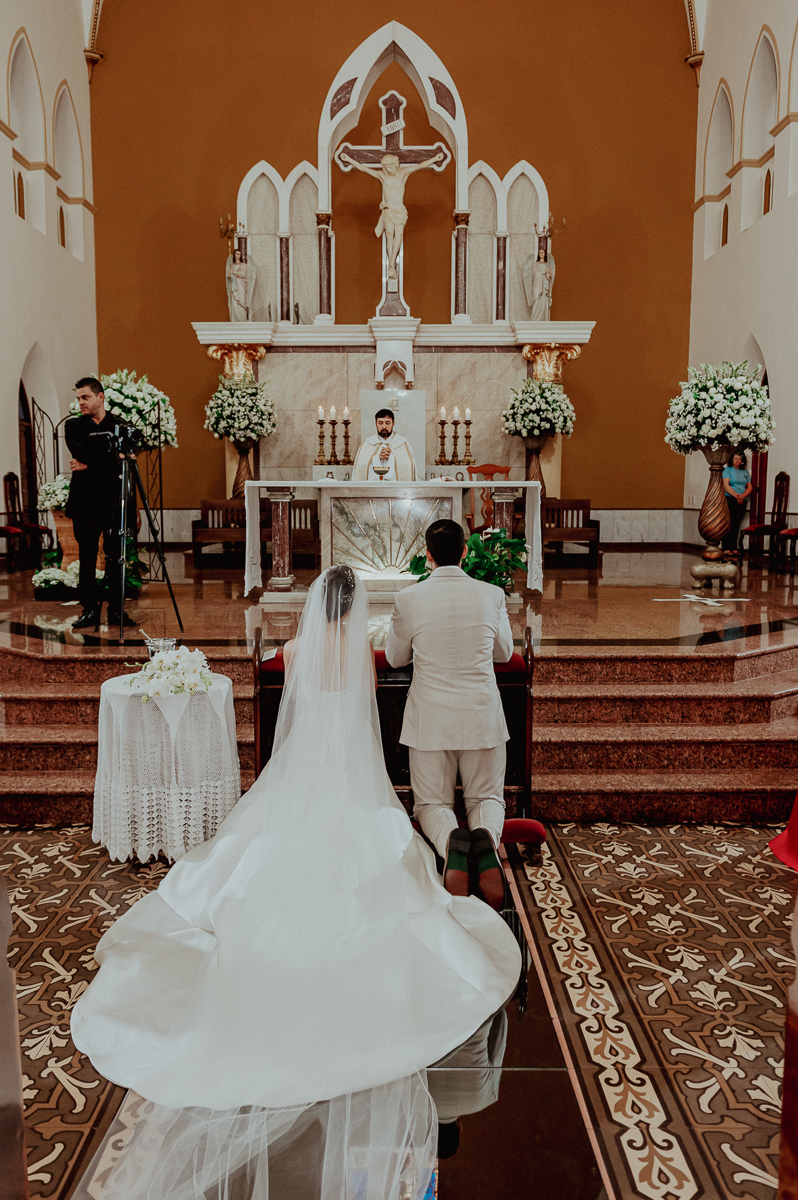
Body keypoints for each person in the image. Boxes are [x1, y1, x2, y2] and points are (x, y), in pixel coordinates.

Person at [70, 565, 522, 1197]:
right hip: (351, 783)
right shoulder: (361, 653)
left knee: (251, 855)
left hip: (299, 776)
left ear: (314, 606)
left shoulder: (296, 648)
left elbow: (290, 713)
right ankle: (470, 843)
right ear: (354, 607)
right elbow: (365, 724)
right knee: (390, 864)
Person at [385, 519, 514, 910]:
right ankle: (485, 841)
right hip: (482, 717)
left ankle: (451, 844)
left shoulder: (410, 598)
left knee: (431, 805)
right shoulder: (492, 594)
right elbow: (505, 653)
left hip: (431, 721)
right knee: (486, 797)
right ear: (464, 552)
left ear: (427, 555)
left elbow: (394, 658)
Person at [64, 377, 135, 630]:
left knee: (116, 557)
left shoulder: (119, 424)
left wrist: (90, 464)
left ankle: (116, 610)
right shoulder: (73, 426)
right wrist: (113, 456)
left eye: (85, 397)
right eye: (78, 398)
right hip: (85, 502)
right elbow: (79, 452)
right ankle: (89, 611)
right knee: (86, 557)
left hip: (114, 501)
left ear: (100, 396)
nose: (80, 402)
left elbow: (132, 452)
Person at [352, 408, 417, 481]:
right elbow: (360, 467)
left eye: (387, 423)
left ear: (393, 424)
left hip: (396, 489)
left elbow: (408, 467)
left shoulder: (402, 444)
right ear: (376, 424)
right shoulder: (367, 444)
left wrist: (391, 457)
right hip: (374, 488)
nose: (384, 426)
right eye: (380, 423)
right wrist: (377, 458)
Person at [722, 449, 752, 559]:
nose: (737, 460)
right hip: (730, 498)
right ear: (731, 459)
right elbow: (726, 485)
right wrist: (736, 496)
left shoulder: (745, 473)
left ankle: (734, 547)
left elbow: (749, 486)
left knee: (736, 523)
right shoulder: (727, 470)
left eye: (740, 458)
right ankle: (726, 547)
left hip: (742, 500)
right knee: (728, 522)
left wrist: (742, 496)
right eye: (735, 458)